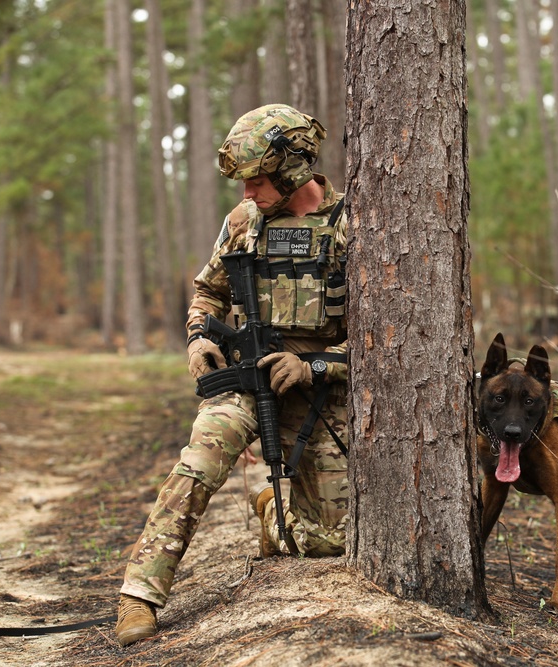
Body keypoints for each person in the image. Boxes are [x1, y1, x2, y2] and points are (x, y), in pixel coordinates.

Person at [115, 104, 350, 647]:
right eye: (244, 181)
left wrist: (313, 364)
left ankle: (273, 511)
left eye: (259, 180)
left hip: (321, 390)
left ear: (295, 170)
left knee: (326, 545)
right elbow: (208, 291)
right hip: (247, 380)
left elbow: (382, 340)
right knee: (201, 456)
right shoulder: (243, 223)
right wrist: (199, 336)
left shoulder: (352, 224)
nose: (248, 192)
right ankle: (138, 597)